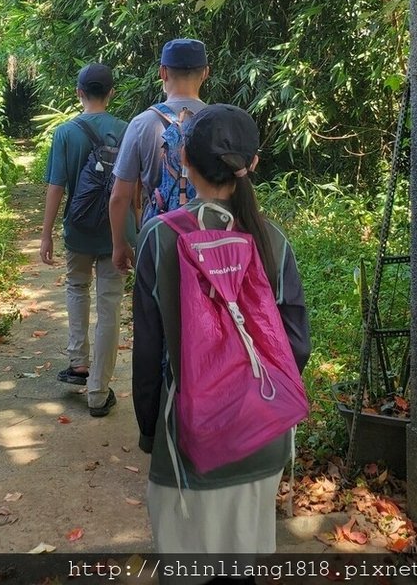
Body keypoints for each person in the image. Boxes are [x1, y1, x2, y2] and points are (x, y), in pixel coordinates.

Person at [132, 104, 310, 573]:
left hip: (189, 443)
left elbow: (148, 356)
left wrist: (151, 433)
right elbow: (296, 344)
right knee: (242, 567)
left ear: (183, 158)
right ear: (250, 164)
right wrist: (259, 406)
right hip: (263, 438)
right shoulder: (272, 239)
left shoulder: (158, 238)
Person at [39, 63, 133, 417]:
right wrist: (132, 234)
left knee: (77, 288)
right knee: (109, 306)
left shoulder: (65, 133)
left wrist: (46, 234)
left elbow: (56, 186)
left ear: (79, 92)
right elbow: (134, 189)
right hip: (115, 234)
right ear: (111, 93)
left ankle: (78, 362)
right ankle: (98, 391)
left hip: (78, 230)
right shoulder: (127, 130)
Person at [109, 38, 209, 273]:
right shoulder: (221, 121)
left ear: (162, 72)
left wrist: (119, 244)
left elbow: (119, 196)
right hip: (209, 239)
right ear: (205, 73)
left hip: (157, 237)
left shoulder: (142, 124)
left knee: (157, 305)